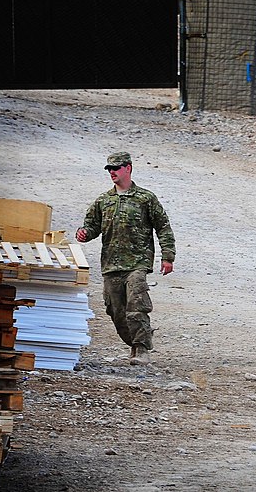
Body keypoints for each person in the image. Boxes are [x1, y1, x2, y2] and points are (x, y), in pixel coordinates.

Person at [76, 151, 176, 366]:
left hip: (137, 263)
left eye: (116, 168)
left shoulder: (145, 198)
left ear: (128, 168)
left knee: (136, 304)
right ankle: (133, 343)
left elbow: (163, 227)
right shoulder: (104, 200)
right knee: (115, 309)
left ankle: (142, 348)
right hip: (111, 264)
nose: (112, 172)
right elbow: (92, 226)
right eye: (109, 169)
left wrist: (167, 257)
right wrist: (84, 233)